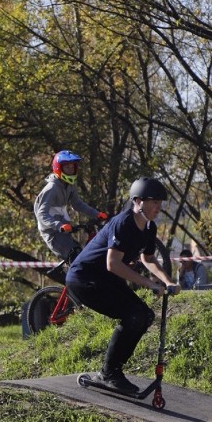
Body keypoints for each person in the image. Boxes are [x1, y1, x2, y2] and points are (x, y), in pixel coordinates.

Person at [65, 177, 180, 394]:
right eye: (154, 202)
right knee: (133, 315)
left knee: (144, 315)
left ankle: (112, 371)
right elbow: (113, 264)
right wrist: (149, 284)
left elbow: (148, 259)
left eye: (160, 202)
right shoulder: (124, 223)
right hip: (84, 278)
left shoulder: (149, 228)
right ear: (138, 201)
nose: (159, 207)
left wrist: (167, 281)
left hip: (105, 279)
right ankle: (109, 373)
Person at [34, 150, 108, 264]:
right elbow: (41, 214)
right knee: (75, 256)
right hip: (51, 232)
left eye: (72, 167)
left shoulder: (70, 185)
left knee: (82, 254)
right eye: (67, 168)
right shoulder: (52, 188)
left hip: (63, 229)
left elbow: (77, 204)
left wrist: (96, 214)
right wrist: (59, 225)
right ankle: (74, 281)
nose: (71, 170)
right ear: (59, 168)